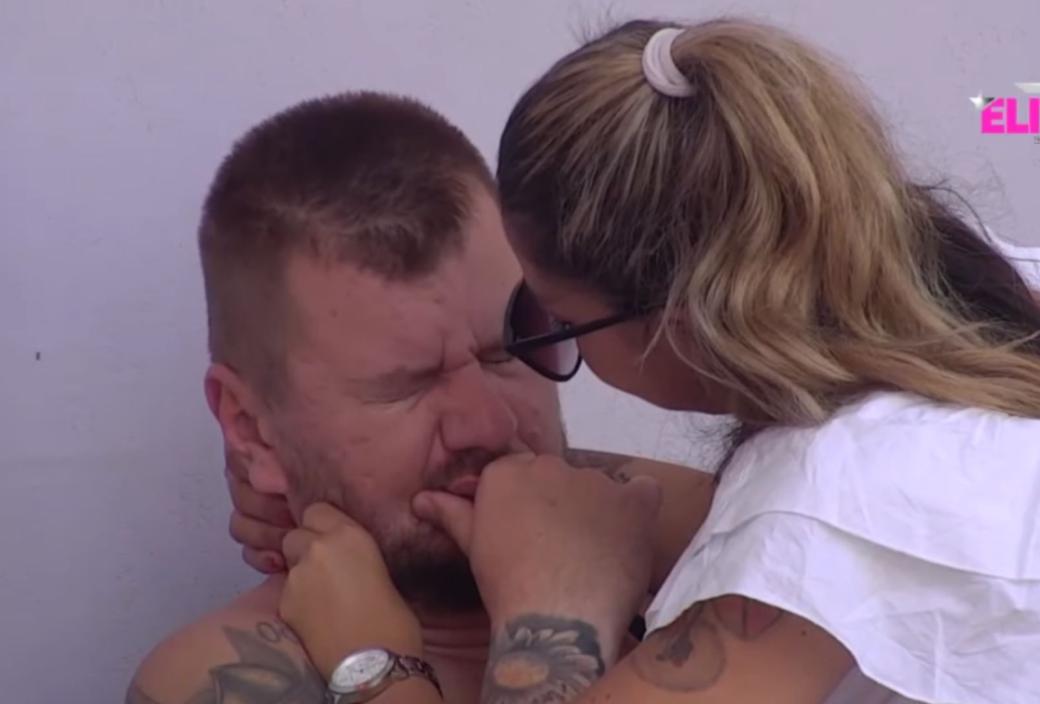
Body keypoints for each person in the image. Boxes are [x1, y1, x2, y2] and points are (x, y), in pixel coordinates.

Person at [244, 18, 1040, 704]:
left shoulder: (803, 552)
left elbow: (811, 521)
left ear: (679, 321)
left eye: (550, 325)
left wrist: (384, 656)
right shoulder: (1018, 301)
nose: (536, 346)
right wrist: (485, 492)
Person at [126, 91, 710, 704]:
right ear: (250, 428)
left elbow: (776, 506)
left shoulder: (707, 574)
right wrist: (556, 618)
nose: (487, 424)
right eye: (407, 387)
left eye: (507, 351)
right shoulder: (219, 678)